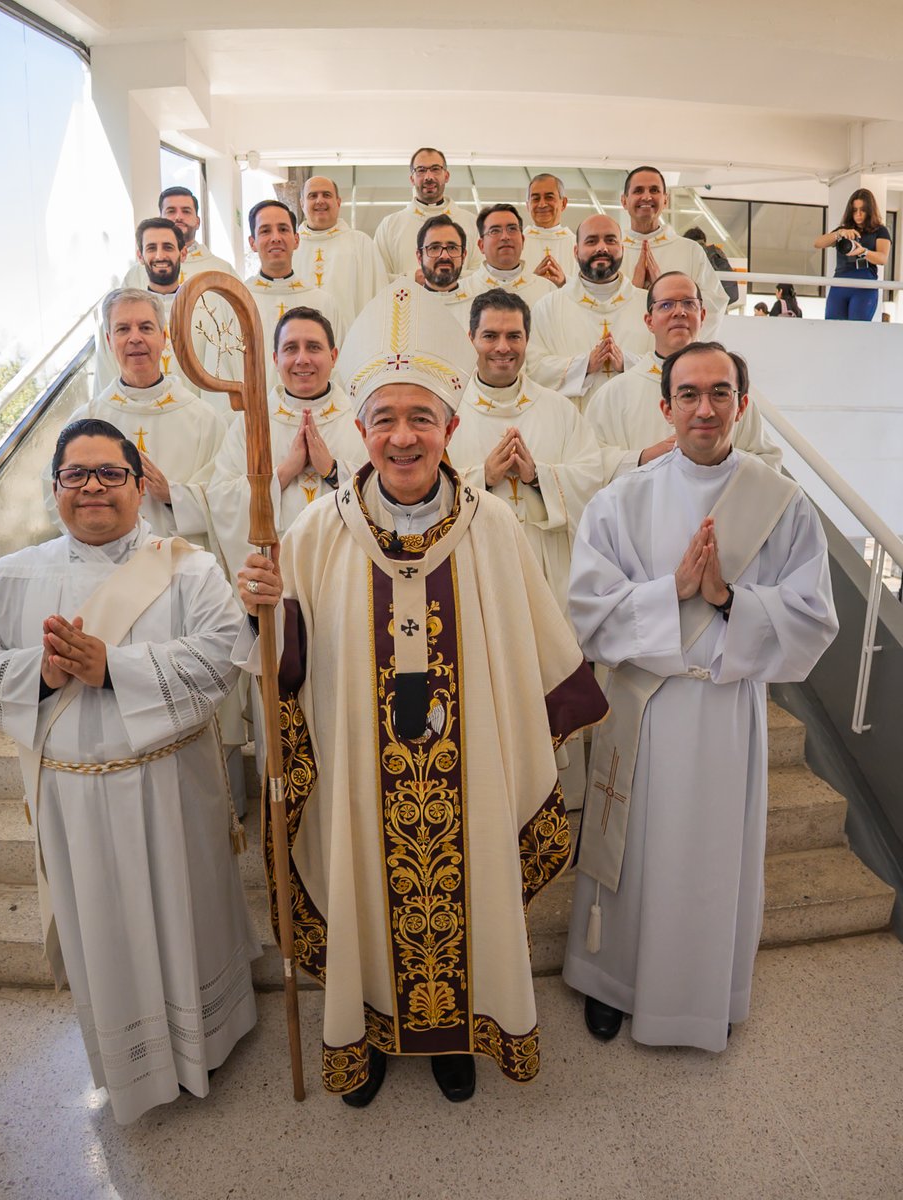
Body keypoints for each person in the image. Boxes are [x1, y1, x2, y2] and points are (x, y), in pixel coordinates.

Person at [235, 282, 607, 1106]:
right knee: (362, 889)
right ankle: (365, 1034)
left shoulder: (494, 527)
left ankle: (457, 1034)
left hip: (470, 777)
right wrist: (261, 606)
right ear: (359, 429)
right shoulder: (315, 532)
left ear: (452, 428)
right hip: (357, 778)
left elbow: (533, 654)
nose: (403, 437)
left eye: (421, 418)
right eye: (384, 419)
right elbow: (282, 669)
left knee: (470, 888)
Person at [0, 418, 260, 1125]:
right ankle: (128, 1060)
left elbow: (223, 654)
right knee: (108, 933)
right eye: (76, 475)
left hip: (168, 787)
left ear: (138, 485)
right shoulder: (13, 574)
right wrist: (43, 673)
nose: (92, 487)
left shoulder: (188, 568)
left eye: (110, 473)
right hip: (73, 798)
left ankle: (208, 1042)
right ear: (55, 486)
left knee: (185, 916)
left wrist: (113, 668)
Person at [562, 341, 838, 1052]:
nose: (705, 409)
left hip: (724, 710)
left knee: (709, 863)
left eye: (721, 393)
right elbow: (588, 612)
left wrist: (729, 600)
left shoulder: (783, 506)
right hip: (646, 709)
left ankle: (702, 992)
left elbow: (813, 618)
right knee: (632, 856)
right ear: (666, 406)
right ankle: (612, 982)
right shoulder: (621, 500)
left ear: (741, 405)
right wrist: (674, 591)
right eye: (689, 394)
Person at [449, 289, 602, 612]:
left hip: (545, 572)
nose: (503, 347)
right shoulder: (447, 412)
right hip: (473, 568)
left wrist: (538, 477)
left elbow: (592, 482)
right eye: (490, 336)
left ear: (527, 340)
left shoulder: (559, 410)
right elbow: (425, 489)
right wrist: (482, 477)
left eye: (514, 336)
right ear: (470, 340)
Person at [207, 306, 365, 584]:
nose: (302, 359)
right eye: (291, 348)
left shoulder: (361, 419)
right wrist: (282, 474)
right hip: (275, 580)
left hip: (344, 576)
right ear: (276, 359)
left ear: (333, 356)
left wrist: (332, 471)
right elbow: (221, 500)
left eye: (313, 347)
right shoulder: (251, 423)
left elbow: (384, 493)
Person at [585, 271, 782, 483]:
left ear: (702, 316)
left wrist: (718, 456)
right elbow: (588, 465)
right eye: (666, 305)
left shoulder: (729, 392)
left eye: (689, 304)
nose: (679, 312)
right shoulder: (613, 394)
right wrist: (644, 457)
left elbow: (769, 464)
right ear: (649, 321)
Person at [73, 288, 227, 544]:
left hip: (181, 562)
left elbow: (228, 500)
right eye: (123, 329)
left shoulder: (204, 420)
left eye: (145, 328)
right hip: (105, 562)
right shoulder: (86, 423)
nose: (135, 338)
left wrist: (172, 495)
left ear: (163, 338)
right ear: (109, 341)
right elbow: (57, 495)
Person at [99, 219, 243, 420]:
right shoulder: (123, 319)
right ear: (140, 256)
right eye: (151, 248)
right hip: (133, 419)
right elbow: (106, 379)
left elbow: (218, 375)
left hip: (194, 421)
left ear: (183, 253)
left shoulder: (207, 310)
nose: (160, 255)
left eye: (167, 247)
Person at [527, 214, 653, 412]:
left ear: (622, 249)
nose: (601, 248)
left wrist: (626, 362)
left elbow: (667, 365)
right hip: (573, 422)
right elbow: (533, 370)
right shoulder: (547, 307)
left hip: (634, 420)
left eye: (610, 240)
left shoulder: (648, 306)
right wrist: (584, 365)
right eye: (591, 241)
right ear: (576, 251)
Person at [620, 167, 727, 337]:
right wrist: (633, 292)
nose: (646, 197)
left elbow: (715, 305)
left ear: (665, 200)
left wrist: (666, 293)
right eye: (638, 190)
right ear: (624, 201)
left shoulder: (690, 251)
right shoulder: (611, 252)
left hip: (675, 350)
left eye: (654, 190)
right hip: (625, 348)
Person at [245, 200, 346, 360]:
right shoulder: (238, 301)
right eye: (265, 231)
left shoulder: (322, 303)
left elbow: (339, 364)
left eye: (283, 229)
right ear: (253, 243)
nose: (276, 238)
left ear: (296, 239)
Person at [373, 147, 481, 279]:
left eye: (435, 169)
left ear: (446, 176)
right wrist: (411, 278)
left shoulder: (472, 223)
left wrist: (442, 278)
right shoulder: (390, 225)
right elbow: (377, 277)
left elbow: (481, 276)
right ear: (412, 179)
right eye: (421, 170)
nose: (428, 177)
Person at [296, 175, 388, 326]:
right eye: (313, 196)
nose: (320, 200)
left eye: (326, 195)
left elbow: (380, 298)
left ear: (338, 202)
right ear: (302, 204)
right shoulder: (291, 247)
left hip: (351, 338)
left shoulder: (361, 243)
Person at [123, 186, 238, 287]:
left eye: (186, 211)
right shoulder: (136, 274)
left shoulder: (222, 270)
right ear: (161, 219)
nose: (178, 217)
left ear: (197, 222)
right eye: (171, 211)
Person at [814, 189, 891, 322]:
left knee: (857, 330)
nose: (858, 214)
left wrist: (863, 252)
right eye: (854, 210)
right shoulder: (844, 230)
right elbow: (817, 243)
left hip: (864, 285)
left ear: (870, 210)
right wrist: (839, 234)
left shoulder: (880, 230)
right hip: (839, 283)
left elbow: (883, 259)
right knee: (833, 328)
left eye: (863, 210)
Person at [463, 204, 557, 308]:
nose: (505, 237)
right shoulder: (463, 291)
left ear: (523, 240)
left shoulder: (548, 290)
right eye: (495, 231)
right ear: (481, 245)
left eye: (512, 229)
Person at [407, 214, 475, 326]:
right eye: (434, 248)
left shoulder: (480, 308)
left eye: (452, 248)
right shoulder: (405, 310)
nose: (444, 256)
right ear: (419, 257)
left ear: (463, 256)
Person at [522, 173, 576, 287]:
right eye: (535, 199)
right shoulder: (517, 244)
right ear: (528, 205)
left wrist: (565, 282)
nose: (542, 204)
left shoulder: (578, 245)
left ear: (563, 203)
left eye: (549, 197)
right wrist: (531, 283)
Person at [682, 226, 739, 306]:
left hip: (696, 305)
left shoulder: (690, 254)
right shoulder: (716, 252)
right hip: (719, 306)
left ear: (687, 241)